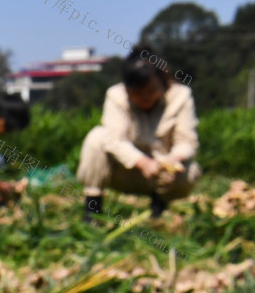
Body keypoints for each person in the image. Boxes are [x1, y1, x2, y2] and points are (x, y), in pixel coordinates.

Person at [75, 46, 201, 220]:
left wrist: (173, 160)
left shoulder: (181, 96)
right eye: (136, 94)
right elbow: (113, 140)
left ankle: (159, 207)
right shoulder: (115, 96)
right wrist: (143, 163)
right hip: (124, 172)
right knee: (96, 138)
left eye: (150, 91)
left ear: (162, 80)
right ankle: (92, 208)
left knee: (190, 170)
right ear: (127, 89)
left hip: (163, 175)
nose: (144, 98)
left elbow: (187, 141)